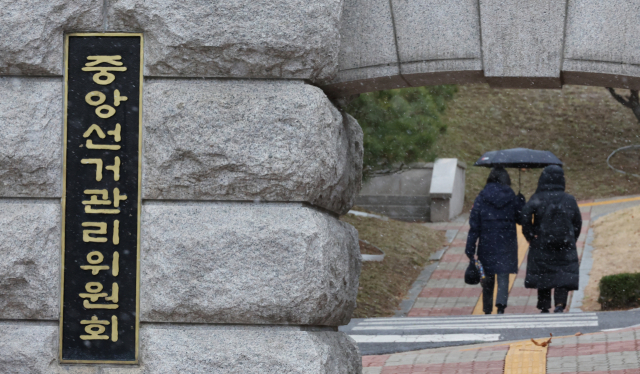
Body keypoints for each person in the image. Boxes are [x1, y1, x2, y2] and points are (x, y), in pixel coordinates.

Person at [522, 165, 582, 313]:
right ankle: (560, 304)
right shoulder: (569, 199)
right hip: (565, 244)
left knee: (544, 273)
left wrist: (531, 235)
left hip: (542, 243)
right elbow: (577, 222)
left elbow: (525, 218)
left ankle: (544, 306)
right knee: (563, 273)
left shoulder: (537, 198)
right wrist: (571, 237)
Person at [466, 167, 525, 314]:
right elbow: (520, 219)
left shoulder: (481, 197)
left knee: (487, 276)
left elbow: (474, 225)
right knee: (503, 275)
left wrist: (470, 249)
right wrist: (521, 202)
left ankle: (487, 309)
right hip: (507, 243)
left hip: (487, 243)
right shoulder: (511, 196)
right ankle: (501, 307)